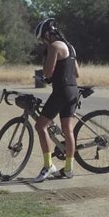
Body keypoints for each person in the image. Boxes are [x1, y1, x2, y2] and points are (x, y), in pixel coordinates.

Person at [33, 18, 80, 182]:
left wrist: (42, 73)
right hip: (73, 90)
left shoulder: (54, 47)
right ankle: (68, 169)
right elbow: (77, 73)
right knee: (68, 130)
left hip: (61, 91)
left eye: (42, 40)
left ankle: (48, 166)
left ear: (47, 34)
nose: (43, 43)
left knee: (40, 126)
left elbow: (48, 72)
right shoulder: (70, 47)